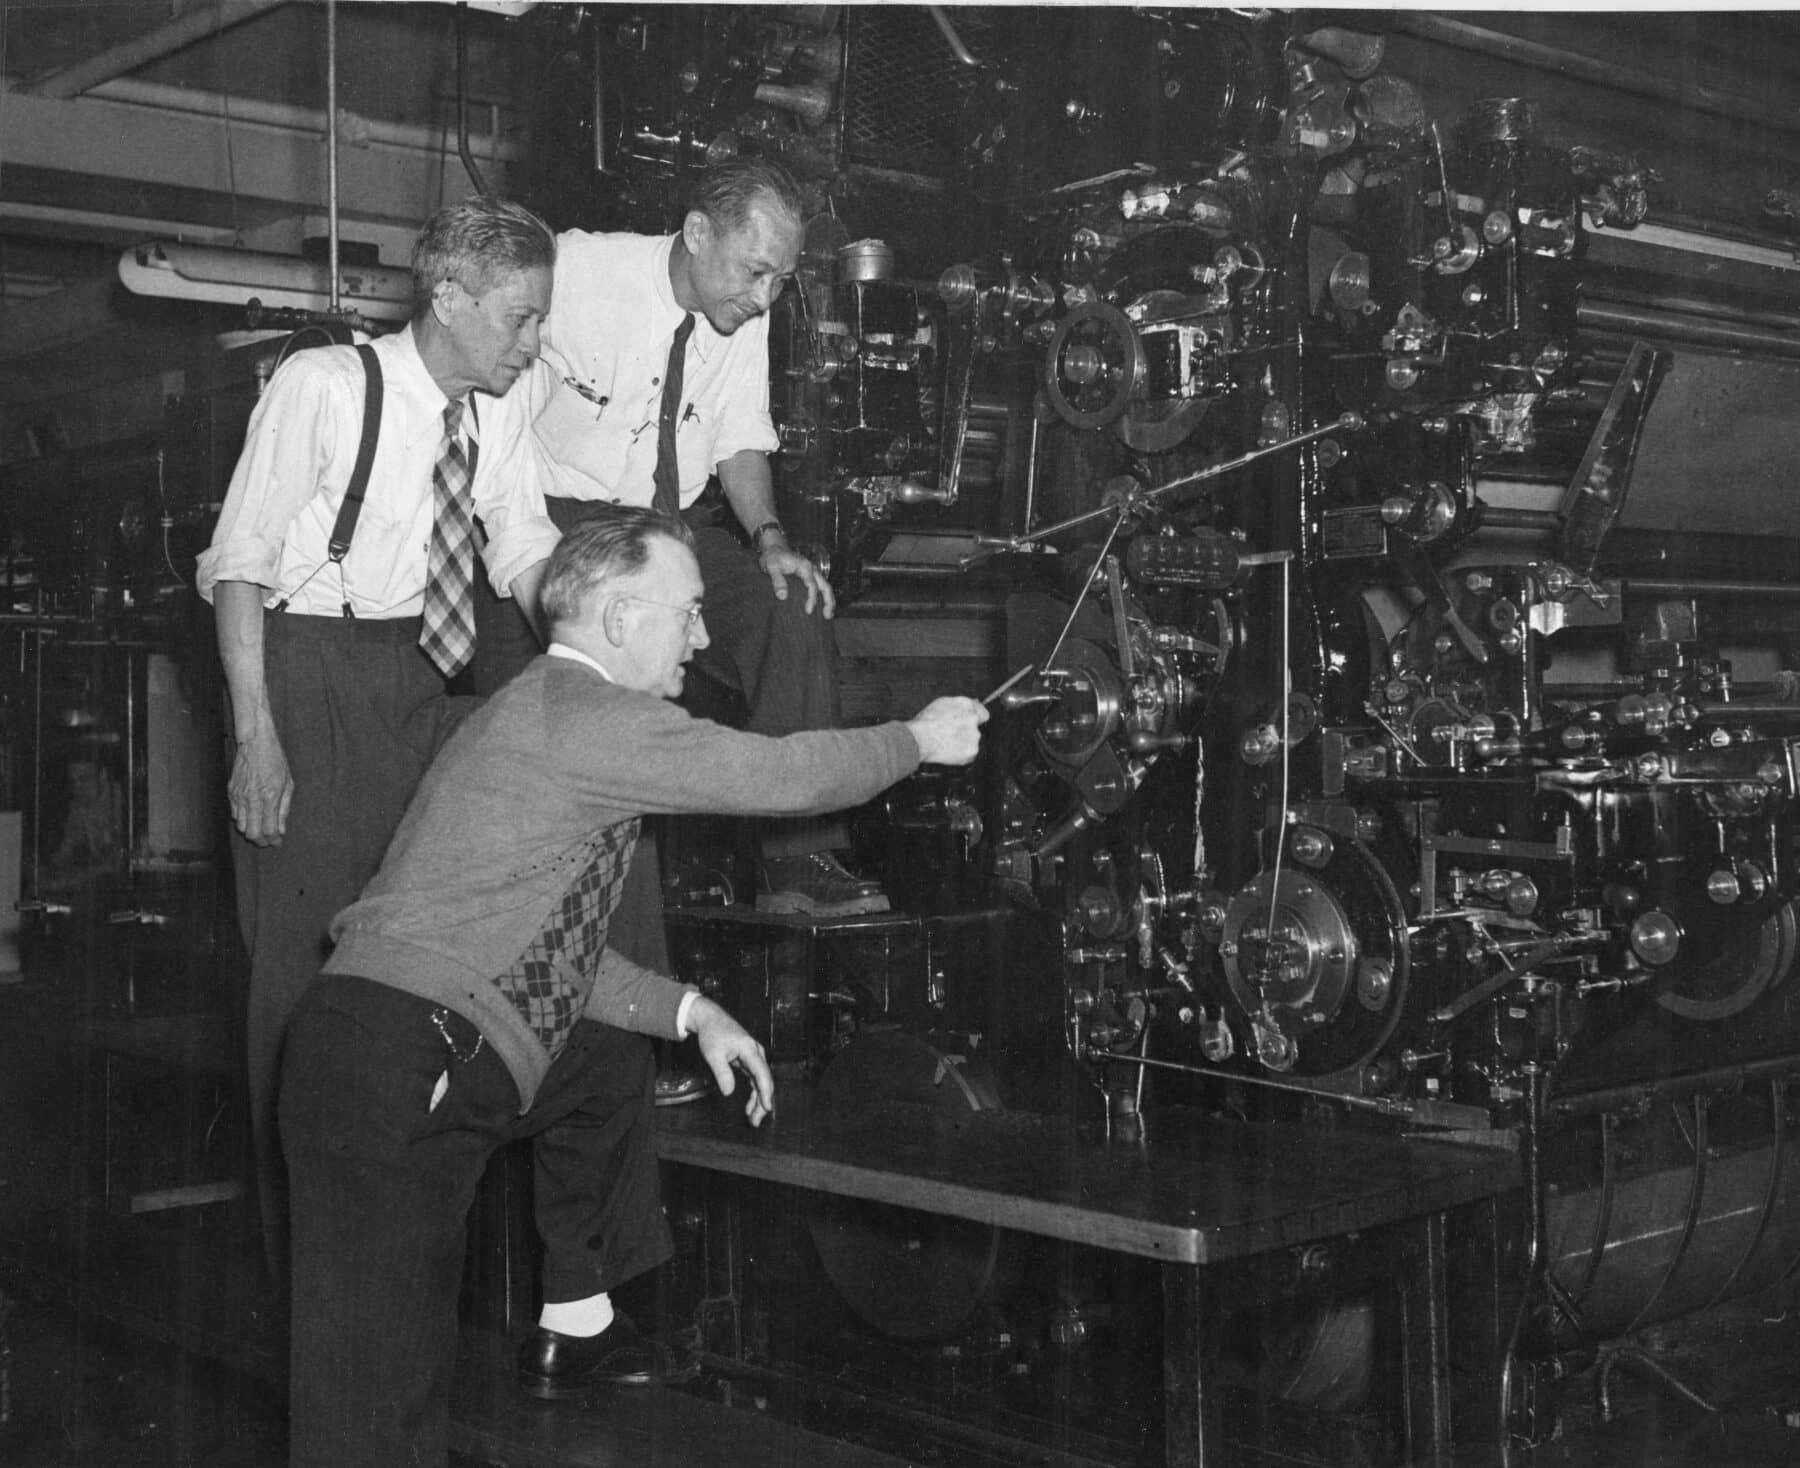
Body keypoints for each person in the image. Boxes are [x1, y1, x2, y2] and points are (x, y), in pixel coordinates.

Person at [280, 506, 986, 1467]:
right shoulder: (586, 714)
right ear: (618, 619)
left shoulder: (548, 716)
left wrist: (692, 1013)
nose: (703, 635)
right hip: (401, 1063)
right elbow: (776, 775)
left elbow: (550, 954)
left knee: (606, 1058)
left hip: (405, 1046)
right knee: (373, 1414)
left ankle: (578, 1308)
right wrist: (914, 738)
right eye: (688, 611)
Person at [194, 195, 561, 1273]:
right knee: (299, 983)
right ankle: (297, 1258)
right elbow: (241, 568)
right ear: (447, 298)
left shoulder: (499, 404)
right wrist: (256, 738)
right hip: (302, 669)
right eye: (520, 317)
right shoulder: (323, 386)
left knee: (414, 968)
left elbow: (522, 548)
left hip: (422, 675)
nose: (534, 343)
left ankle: (389, 1232)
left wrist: (587, 636)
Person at [476, 157, 885, 917]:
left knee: (791, 607)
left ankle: (795, 862)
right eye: (756, 271)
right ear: (697, 234)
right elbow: (495, 429)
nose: (765, 299)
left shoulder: (739, 313)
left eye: (779, 280)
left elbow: (738, 439)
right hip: (563, 518)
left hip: (671, 524)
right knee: (542, 722)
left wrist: (768, 538)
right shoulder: (574, 273)